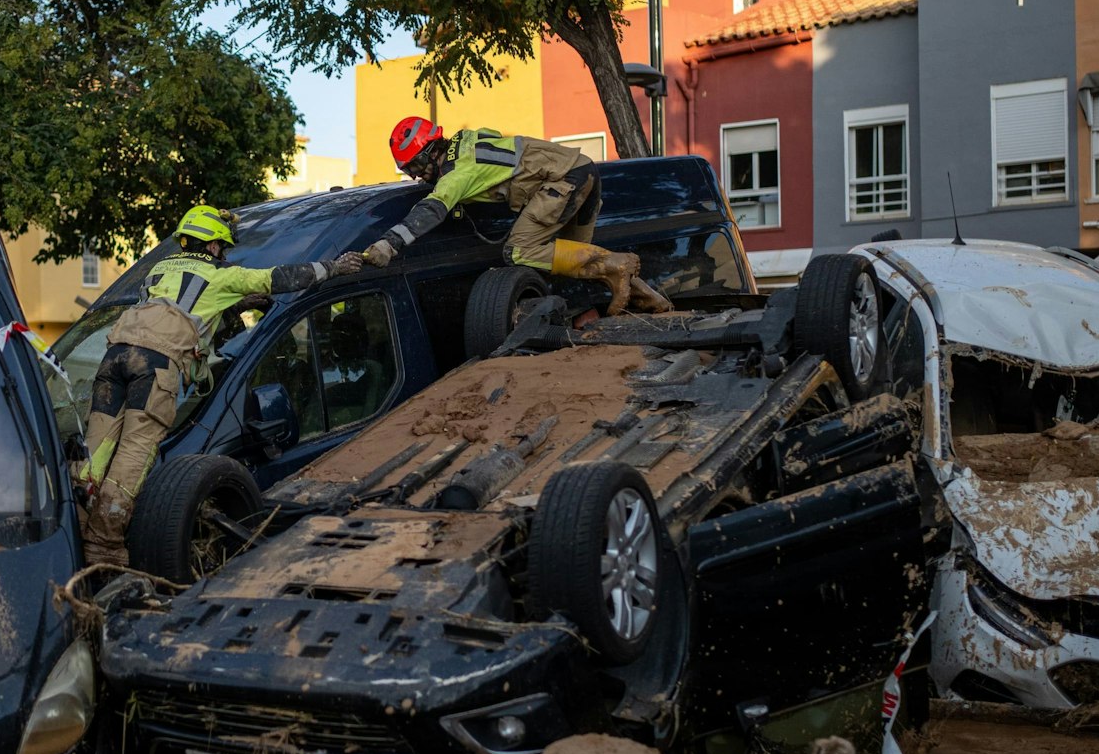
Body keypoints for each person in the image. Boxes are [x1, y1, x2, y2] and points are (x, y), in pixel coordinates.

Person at [75, 205, 366, 565]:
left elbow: (179, 305)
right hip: (154, 366)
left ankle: (75, 530)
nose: (223, 255)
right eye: (222, 249)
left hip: (115, 357)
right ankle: (103, 548)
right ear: (213, 247)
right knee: (135, 452)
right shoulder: (222, 275)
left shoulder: (157, 270)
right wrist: (335, 267)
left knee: (95, 451)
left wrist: (235, 303)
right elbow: (280, 278)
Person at [364, 117, 668, 315]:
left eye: (415, 168)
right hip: (583, 169)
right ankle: (654, 302)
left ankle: (620, 263)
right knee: (576, 259)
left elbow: (432, 207)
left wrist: (388, 245)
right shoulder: (468, 140)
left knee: (518, 250)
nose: (416, 177)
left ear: (431, 152)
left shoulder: (456, 176)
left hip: (563, 181)